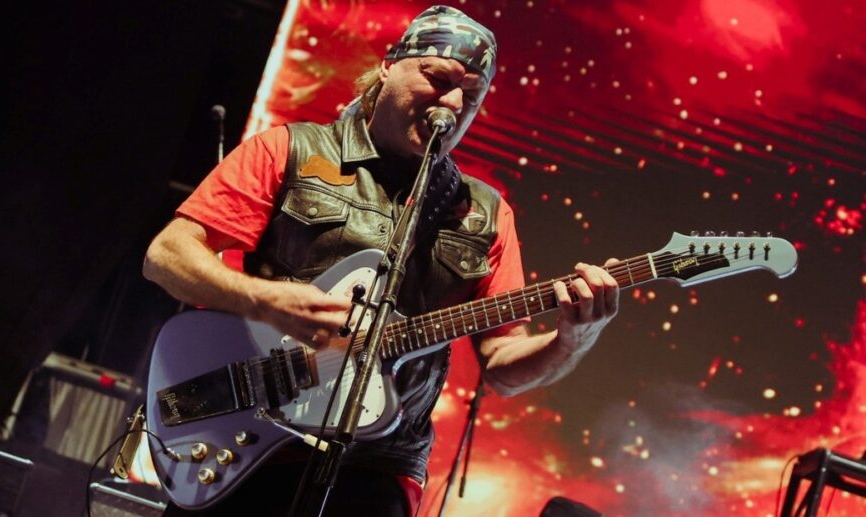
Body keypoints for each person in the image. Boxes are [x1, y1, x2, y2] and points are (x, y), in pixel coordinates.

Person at [143, 6, 618, 516]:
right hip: (251, 428)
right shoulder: (292, 149)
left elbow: (503, 367)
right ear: (389, 66)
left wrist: (572, 340)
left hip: (378, 464)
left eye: (472, 95)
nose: (453, 103)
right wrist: (265, 300)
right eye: (439, 79)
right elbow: (167, 255)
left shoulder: (485, 214)